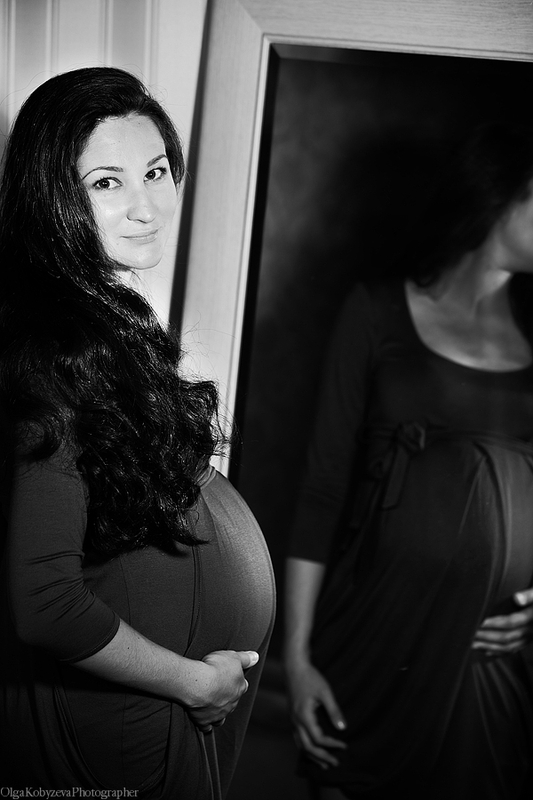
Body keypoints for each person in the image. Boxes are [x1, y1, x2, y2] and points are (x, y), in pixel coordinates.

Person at [0, 67, 275, 799]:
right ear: (52, 198)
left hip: (140, 718)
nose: (147, 206)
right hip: (118, 727)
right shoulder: (52, 354)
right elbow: (43, 602)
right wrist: (192, 682)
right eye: (107, 183)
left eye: (155, 172)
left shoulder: (96, 320)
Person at [283, 122, 533, 800]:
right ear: (499, 193)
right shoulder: (375, 312)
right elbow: (321, 491)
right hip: (373, 631)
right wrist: (296, 659)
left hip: (485, 653)